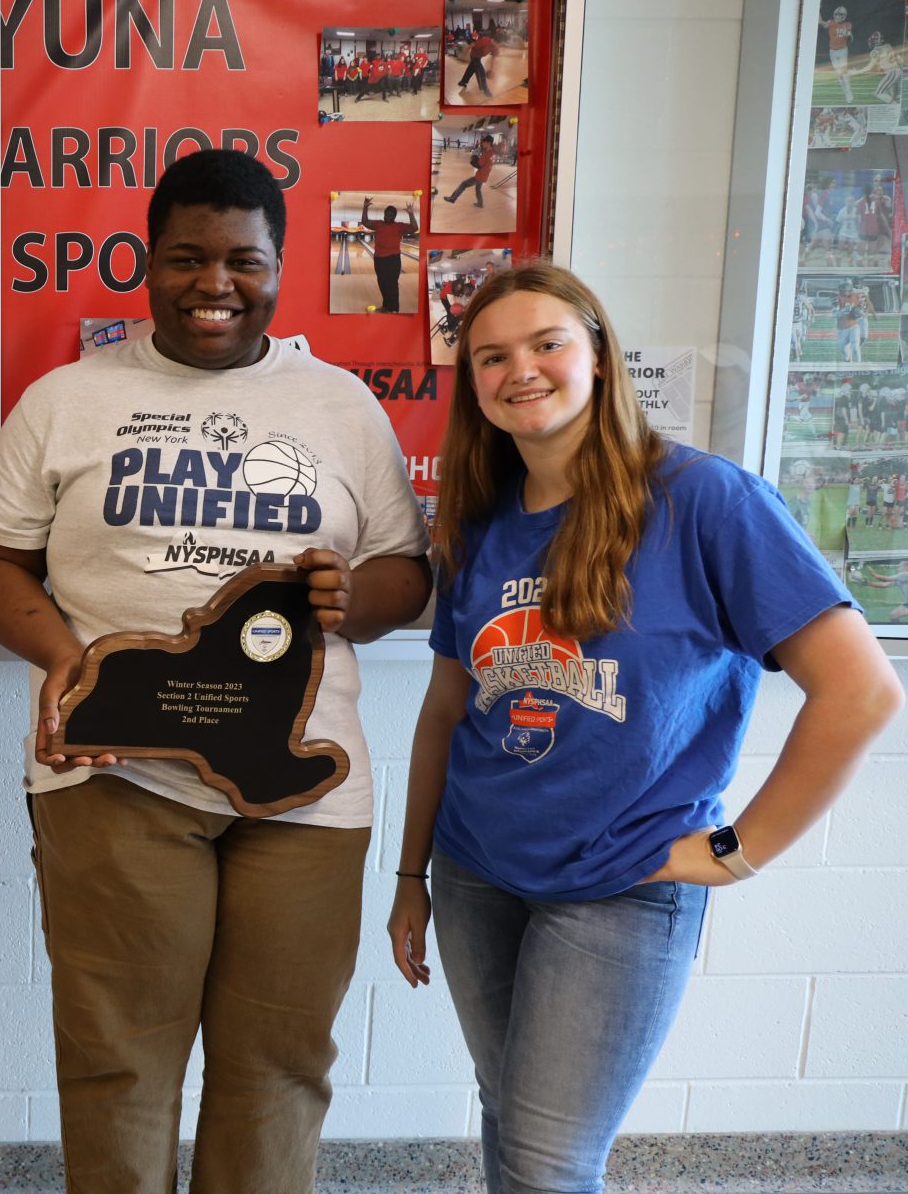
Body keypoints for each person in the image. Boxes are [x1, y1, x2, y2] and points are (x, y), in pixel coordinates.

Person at [0, 148, 431, 1194]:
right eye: (185, 258)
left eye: (240, 261)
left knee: (278, 1063)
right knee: (119, 1059)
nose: (213, 284)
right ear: (145, 261)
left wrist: (356, 596)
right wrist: (59, 656)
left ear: (278, 266)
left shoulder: (342, 407)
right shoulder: (65, 400)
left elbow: (407, 573)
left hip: (302, 783)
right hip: (117, 771)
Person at [386, 262, 902, 1194]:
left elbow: (862, 692)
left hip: (621, 885)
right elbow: (442, 714)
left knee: (550, 1162)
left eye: (547, 343)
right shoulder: (479, 523)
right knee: (506, 1118)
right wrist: (409, 874)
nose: (521, 370)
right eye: (492, 356)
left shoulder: (708, 501)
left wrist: (737, 852)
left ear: (598, 355)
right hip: (475, 873)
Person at [361, 196, 419, 314]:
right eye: (386, 214)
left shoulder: (399, 226)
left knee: (392, 285)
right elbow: (365, 222)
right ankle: (386, 306)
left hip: (393, 259)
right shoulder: (379, 224)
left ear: (394, 216)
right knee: (382, 283)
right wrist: (365, 207)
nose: (387, 216)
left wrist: (411, 213)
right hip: (379, 259)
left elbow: (414, 227)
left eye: (390, 215)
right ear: (384, 214)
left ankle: (394, 310)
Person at [445, 136, 498, 209]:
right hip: (485, 175)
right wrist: (477, 159)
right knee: (478, 189)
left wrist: (474, 158)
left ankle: (452, 198)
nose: (482, 143)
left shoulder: (486, 153)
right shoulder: (493, 153)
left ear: (488, 143)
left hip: (479, 176)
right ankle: (480, 203)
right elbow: (486, 163)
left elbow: (479, 164)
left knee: (463, 184)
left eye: (484, 142)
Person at [824, 6, 857, 103]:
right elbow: (822, 23)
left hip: (842, 50)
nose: (838, 16)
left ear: (844, 16)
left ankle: (849, 93)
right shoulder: (830, 23)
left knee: (843, 72)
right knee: (839, 74)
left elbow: (848, 34)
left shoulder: (847, 24)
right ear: (835, 15)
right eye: (837, 14)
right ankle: (846, 93)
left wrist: (849, 34)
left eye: (841, 15)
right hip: (832, 51)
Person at [459, 31, 499, 98]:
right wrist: (464, 53)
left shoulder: (495, 47)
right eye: (498, 44)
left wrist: (491, 69)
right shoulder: (484, 41)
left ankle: (463, 82)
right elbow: (471, 45)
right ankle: (485, 89)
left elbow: (493, 58)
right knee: (481, 72)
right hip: (474, 56)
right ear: (494, 40)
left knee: (471, 70)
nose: (498, 46)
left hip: (479, 57)